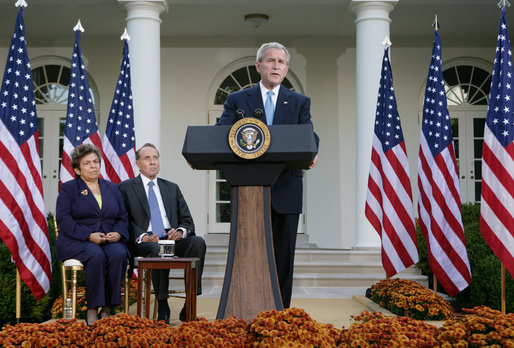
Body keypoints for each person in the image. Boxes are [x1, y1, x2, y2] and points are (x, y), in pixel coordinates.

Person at [216, 42, 319, 308]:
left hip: (286, 191)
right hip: (248, 192)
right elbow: (219, 135)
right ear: (258, 66)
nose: (276, 66)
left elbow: (309, 135)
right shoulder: (237, 100)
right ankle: (246, 306)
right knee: (249, 255)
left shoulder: (299, 102)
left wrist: (312, 149)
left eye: (281, 62)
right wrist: (207, 155)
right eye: (270, 60)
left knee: (283, 257)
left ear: (286, 69)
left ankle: (280, 311)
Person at [118, 143, 206, 323]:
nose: (153, 162)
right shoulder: (125, 188)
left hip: (170, 238)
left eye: (155, 158)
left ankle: (190, 302)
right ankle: (162, 304)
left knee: (198, 242)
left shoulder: (171, 188)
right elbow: (123, 220)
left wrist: (180, 232)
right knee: (154, 248)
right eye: (147, 158)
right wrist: (143, 236)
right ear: (138, 163)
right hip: (145, 242)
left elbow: (187, 221)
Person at [56, 144, 130, 326]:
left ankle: (107, 308)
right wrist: (89, 235)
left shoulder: (112, 188)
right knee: (95, 255)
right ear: (77, 170)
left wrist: (118, 234)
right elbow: (64, 219)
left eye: (96, 162)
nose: (93, 166)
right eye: (87, 163)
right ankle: (92, 309)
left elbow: (122, 216)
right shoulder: (69, 189)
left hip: (107, 238)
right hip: (77, 240)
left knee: (119, 254)